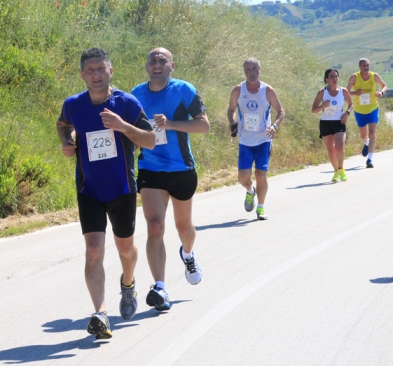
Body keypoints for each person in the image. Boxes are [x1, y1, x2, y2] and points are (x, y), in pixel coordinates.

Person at [56, 47, 156, 339]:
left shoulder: (126, 103)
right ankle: (100, 313)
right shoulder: (74, 104)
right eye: (90, 70)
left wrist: (122, 126)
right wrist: (68, 141)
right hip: (89, 189)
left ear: (110, 71)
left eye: (101, 69)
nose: (96, 75)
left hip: (122, 188)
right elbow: (63, 125)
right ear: (82, 75)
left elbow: (150, 140)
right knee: (94, 251)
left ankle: (128, 284)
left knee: (126, 248)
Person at [131, 47, 210, 312]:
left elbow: (203, 125)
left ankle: (187, 254)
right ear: (146, 66)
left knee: (184, 228)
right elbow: (130, 133)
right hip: (150, 168)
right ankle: (160, 287)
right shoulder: (136, 95)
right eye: (152, 60)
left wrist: (172, 124)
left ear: (171, 66)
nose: (157, 65)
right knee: (155, 226)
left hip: (181, 168)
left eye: (162, 61)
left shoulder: (183, 90)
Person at [227, 58, 285, 220]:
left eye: (254, 69)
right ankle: (250, 191)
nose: (251, 73)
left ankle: (260, 207)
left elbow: (281, 112)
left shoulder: (268, 91)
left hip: (263, 140)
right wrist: (232, 122)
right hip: (245, 140)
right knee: (243, 178)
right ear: (244, 72)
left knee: (261, 174)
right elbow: (231, 109)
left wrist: (274, 126)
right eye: (248, 70)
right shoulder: (238, 90)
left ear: (260, 70)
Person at [311, 68, 353, 182]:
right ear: (327, 79)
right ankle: (335, 172)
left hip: (339, 122)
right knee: (330, 150)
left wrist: (347, 113)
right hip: (325, 123)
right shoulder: (322, 92)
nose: (335, 79)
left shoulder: (343, 91)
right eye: (332, 77)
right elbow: (313, 109)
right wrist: (322, 106)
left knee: (339, 146)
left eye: (336, 76)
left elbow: (351, 104)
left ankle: (341, 169)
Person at [346, 58, 387, 168]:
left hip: (373, 108)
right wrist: (356, 93)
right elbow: (346, 92)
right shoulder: (354, 77)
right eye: (364, 65)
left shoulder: (374, 76)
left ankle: (369, 159)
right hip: (359, 110)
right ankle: (366, 143)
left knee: (372, 133)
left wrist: (381, 92)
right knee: (363, 136)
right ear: (360, 67)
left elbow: (384, 86)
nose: (366, 67)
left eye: (368, 65)